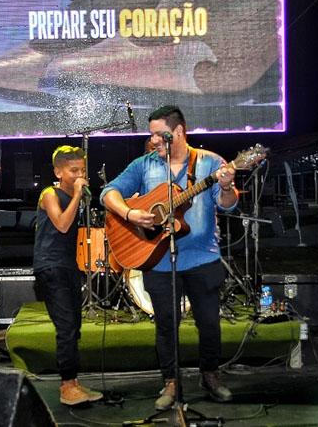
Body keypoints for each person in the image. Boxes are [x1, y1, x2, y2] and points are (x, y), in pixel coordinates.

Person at [101, 105, 238, 410]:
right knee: (166, 324)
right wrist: (130, 213)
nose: (153, 140)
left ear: (178, 132)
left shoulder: (210, 162)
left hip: (203, 259)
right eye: (151, 135)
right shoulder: (144, 165)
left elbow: (228, 204)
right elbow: (108, 193)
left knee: (209, 323)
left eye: (158, 135)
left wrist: (227, 186)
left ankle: (210, 375)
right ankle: (171, 381)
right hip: (159, 261)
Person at [33, 145, 103, 406]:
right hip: (50, 267)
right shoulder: (49, 194)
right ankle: (66, 386)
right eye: (74, 170)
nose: (79, 175)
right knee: (66, 327)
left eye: (82, 170)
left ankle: (73, 383)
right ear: (58, 172)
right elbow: (62, 224)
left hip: (68, 266)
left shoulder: (75, 196)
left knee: (74, 325)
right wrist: (77, 196)